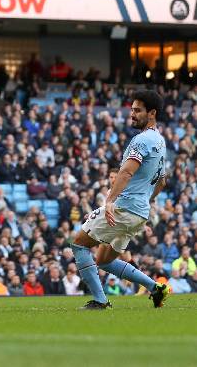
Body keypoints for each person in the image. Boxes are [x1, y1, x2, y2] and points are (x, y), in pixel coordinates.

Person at [72, 90, 170, 310]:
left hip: (124, 208)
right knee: (104, 260)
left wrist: (109, 201)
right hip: (139, 213)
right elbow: (162, 182)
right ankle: (156, 288)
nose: (132, 114)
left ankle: (100, 301)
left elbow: (125, 173)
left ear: (152, 113)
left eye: (138, 110)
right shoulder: (160, 142)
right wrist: (146, 202)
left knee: (78, 244)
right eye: (132, 109)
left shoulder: (141, 140)